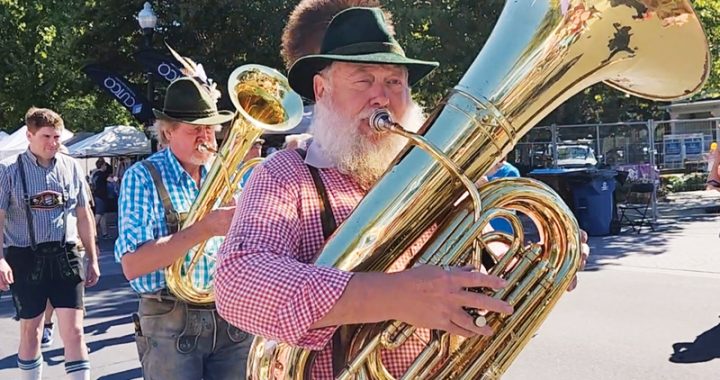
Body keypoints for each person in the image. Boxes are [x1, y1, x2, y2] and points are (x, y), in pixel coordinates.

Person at [215, 8, 517, 379]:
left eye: (394, 82)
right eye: (363, 80)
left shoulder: (435, 175)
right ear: (321, 90)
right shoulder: (284, 175)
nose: (381, 98)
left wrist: (524, 264)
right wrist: (393, 296)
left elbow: (486, 255)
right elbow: (238, 283)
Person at [114, 77, 253, 380]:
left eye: (210, 129)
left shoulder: (226, 172)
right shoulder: (143, 176)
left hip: (232, 315)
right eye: (194, 130)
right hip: (170, 321)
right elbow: (133, 264)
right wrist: (204, 229)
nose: (206, 138)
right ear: (167, 132)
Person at [0, 107, 100, 380]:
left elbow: (83, 214)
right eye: (46, 136)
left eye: (57, 137)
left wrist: (92, 257)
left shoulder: (71, 167)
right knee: (31, 330)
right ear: (29, 136)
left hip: (66, 254)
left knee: (75, 330)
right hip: (25, 256)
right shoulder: (8, 170)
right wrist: (0, 259)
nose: (53, 143)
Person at [90, 159, 110, 239]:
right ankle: (91, 233)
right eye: (105, 165)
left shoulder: (95, 174)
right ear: (102, 165)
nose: (106, 167)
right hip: (101, 197)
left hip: (96, 196)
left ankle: (105, 233)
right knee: (98, 216)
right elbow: (112, 180)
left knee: (102, 216)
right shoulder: (102, 174)